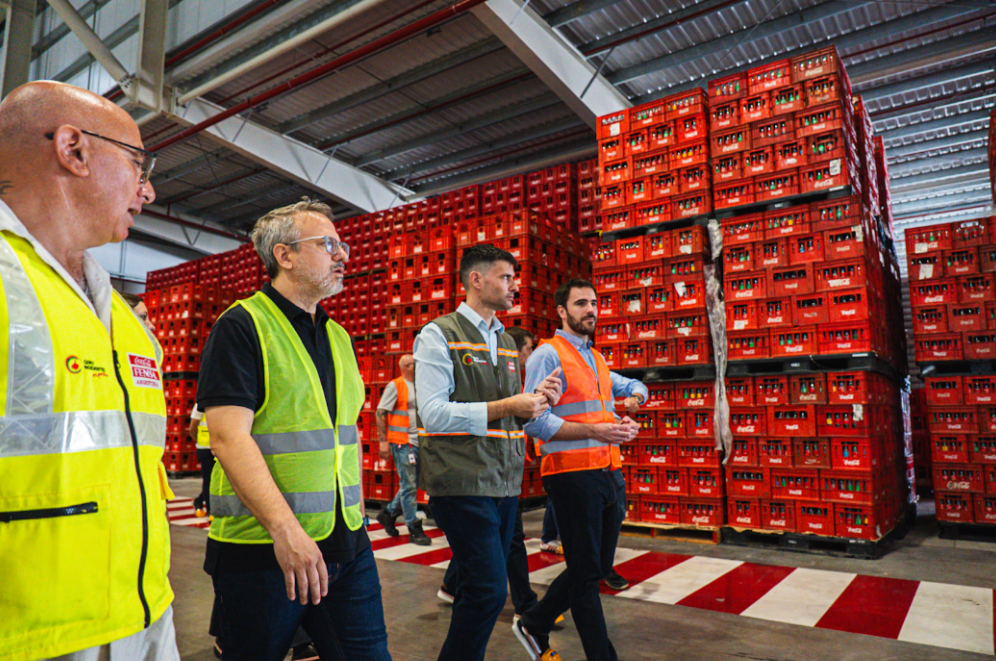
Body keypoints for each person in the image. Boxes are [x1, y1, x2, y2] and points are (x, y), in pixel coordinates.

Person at [0, 81, 178, 661]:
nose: (147, 190)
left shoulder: (125, 321)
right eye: (137, 164)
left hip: (144, 617)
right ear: (73, 149)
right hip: (33, 641)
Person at [197, 198, 390, 661]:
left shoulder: (339, 335)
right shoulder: (243, 326)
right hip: (265, 550)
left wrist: (358, 507)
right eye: (329, 244)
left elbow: (345, 429)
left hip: (345, 543)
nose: (343, 255)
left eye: (342, 245)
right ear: (284, 255)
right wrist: (285, 531)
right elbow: (226, 437)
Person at [414, 244, 562, 661]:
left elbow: (507, 411)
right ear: (476, 280)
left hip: (503, 481)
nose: (515, 286)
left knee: (479, 592)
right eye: (506, 277)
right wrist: (509, 405)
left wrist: (535, 400)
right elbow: (434, 413)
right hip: (461, 481)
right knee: (488, 591)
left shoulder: (506, 341)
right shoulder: (437, 334)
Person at [514, 279, 647, 661]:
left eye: (593, 303)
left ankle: (535, 621)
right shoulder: (548, 355)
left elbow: (635, 385)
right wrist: (596, 429)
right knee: (586, 576)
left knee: (597, 568)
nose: (590, 310)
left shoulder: (596, 358)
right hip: (571, 476)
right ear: (561, 311)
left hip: (608, 473)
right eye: (581, 304)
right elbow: (534, 423)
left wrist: (632, 407)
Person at [375, 353, 431, 545]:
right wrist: (383, 442)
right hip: (402, 443)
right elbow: (381, 411)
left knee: (411, 485)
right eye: (414, 365)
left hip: (418, 443)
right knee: (408, 485)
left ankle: (389, 513)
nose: (418, 367)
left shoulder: (420, 385)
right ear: (407, 366)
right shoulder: (396, 386)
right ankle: (413, 527)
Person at [188, 404, 212, 517]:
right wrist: (199, 442)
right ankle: (211, 510)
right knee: (208, 480)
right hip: (205, 449)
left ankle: (199, 500)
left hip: (221, 448)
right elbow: (192, 428)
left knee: (217, 480)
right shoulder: (200, 404)